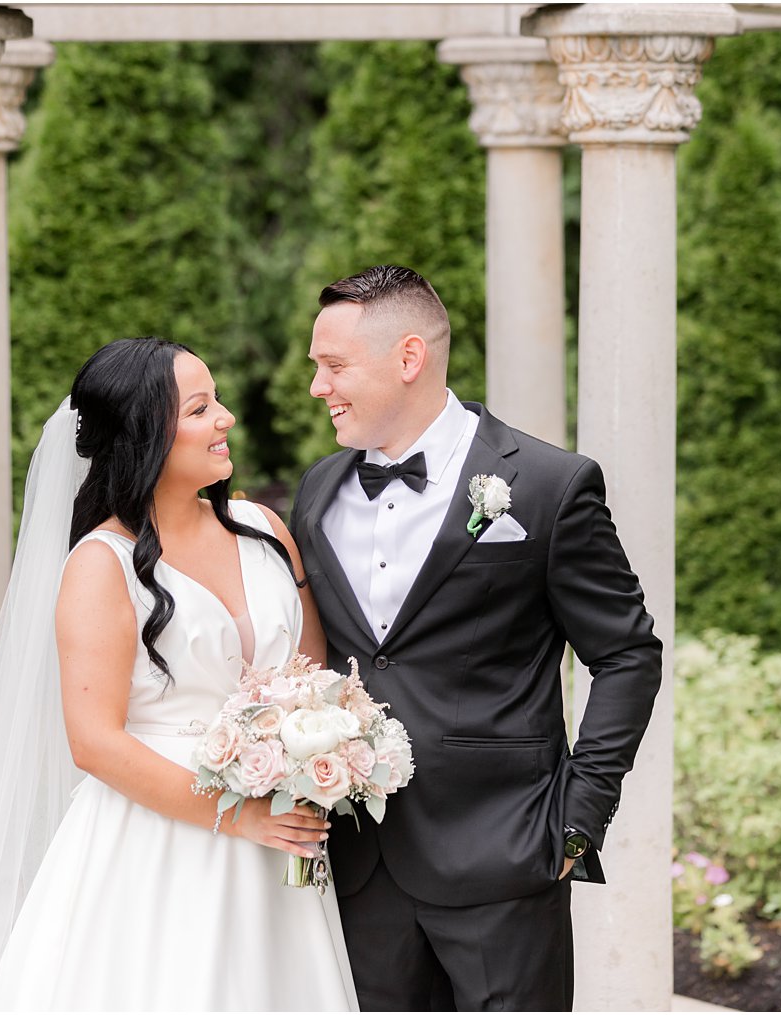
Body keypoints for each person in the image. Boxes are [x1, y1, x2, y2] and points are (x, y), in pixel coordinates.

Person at [0, 338, 356, 1011]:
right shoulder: (99, 565)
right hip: (159, 847)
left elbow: (312, 679)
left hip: (277, 847)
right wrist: (242, 817)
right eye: (200, 408)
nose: (225, 418)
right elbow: (95, 741)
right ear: (146, 436)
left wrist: (328, 751)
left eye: (217, 400)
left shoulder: (264, 529)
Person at [290, 265, 663, 1011]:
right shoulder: (317, 492)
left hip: (508, 858)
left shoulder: (550, 485)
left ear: (408, 358)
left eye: (333, 367)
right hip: (363, 869)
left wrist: (578, 816)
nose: (317, 387)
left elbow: (626, 653)